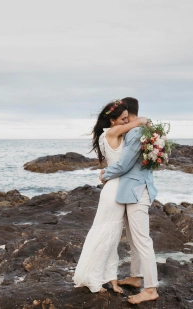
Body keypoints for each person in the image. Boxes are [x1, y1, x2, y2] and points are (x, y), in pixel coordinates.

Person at [72, 99, 148, 293]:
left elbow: (115, 162)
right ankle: (96, 281)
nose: (125, 121)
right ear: (112, 120)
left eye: (126, 118)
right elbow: (139, 122)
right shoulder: (111, 132)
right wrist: (142, 120)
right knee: (106, 235)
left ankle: (111, 278)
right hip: (114, 190)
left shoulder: (114, 134)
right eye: (122, 118)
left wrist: (105, 173)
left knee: (112, 237)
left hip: (115, 187)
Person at [100, 97, 159, 304]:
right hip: (133, 190)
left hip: (136, 191)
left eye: (125, 116)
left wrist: (105, 174)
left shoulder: (135, 132)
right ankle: (135, 277)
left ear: (127, 112)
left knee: (142, 240)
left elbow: (124, 164)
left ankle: (150, 289)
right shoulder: (141, 129)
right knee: (134, 239)